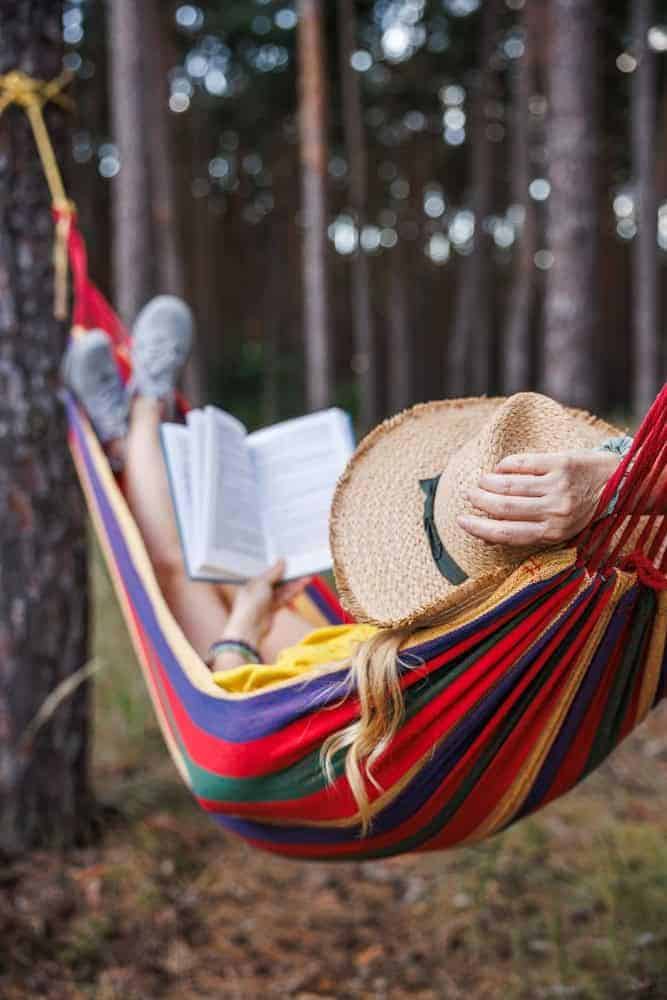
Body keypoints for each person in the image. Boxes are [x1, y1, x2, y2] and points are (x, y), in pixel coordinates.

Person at [63, 297, 637, 829]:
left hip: (296, 692)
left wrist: (243, 630)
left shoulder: (412, 679)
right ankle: (138, 435)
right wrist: (615, 484)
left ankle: (137, 419)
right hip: (359, 651)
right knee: (225, 564)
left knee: (174, 569)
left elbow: (229, 746)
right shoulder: (543, 622)